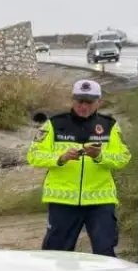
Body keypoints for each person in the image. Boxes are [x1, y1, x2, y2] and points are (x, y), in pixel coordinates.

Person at [27, 80, 132, 257]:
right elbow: (34, 155)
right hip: (63, 201)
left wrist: (99, 157)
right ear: (72, 100)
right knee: (56, 255)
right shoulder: (54, 124)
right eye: (79, 101)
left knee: (105, 253)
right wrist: (60, 158)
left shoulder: (109, 126)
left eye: (89, 102)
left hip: (100, 201)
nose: (83, 106)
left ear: (99, 102)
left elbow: (123, 158)